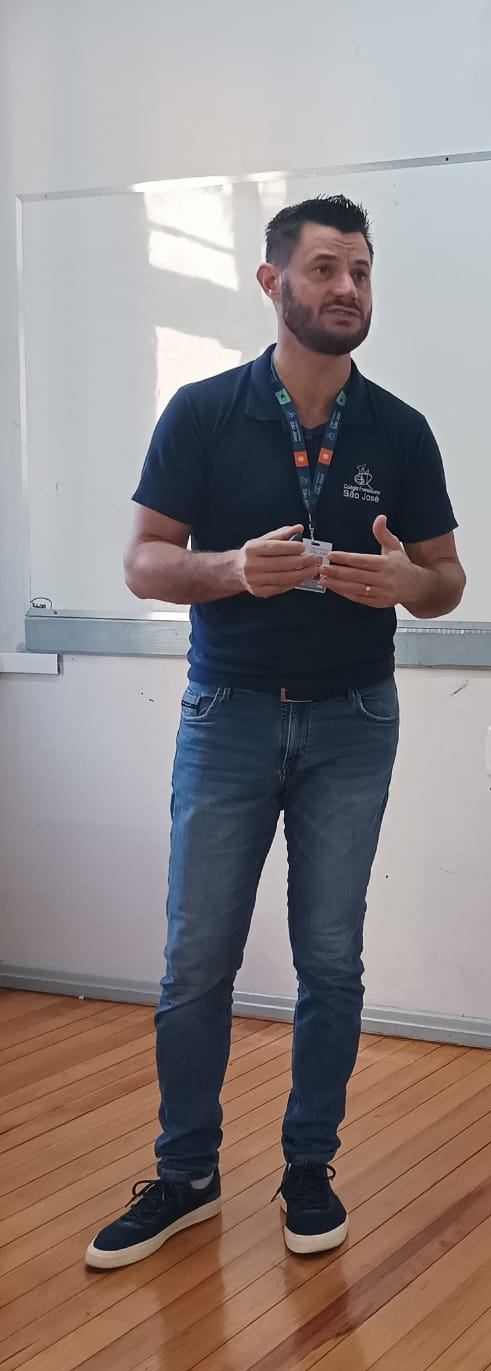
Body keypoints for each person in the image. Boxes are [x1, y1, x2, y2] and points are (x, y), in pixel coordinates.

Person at [85, 195, 465, 1269]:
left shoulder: (399, 429)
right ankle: (185, 1174)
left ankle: (309, 1167)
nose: (348, 288)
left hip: (354, 720)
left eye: (361, 271)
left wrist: (407, 583)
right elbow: (144, 562)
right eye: (326, 268)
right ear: (272, 282)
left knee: (330, 958)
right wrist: (229, 570)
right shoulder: (203, 413)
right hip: (229, 716)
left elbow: (446, 579)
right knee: (195, 957)